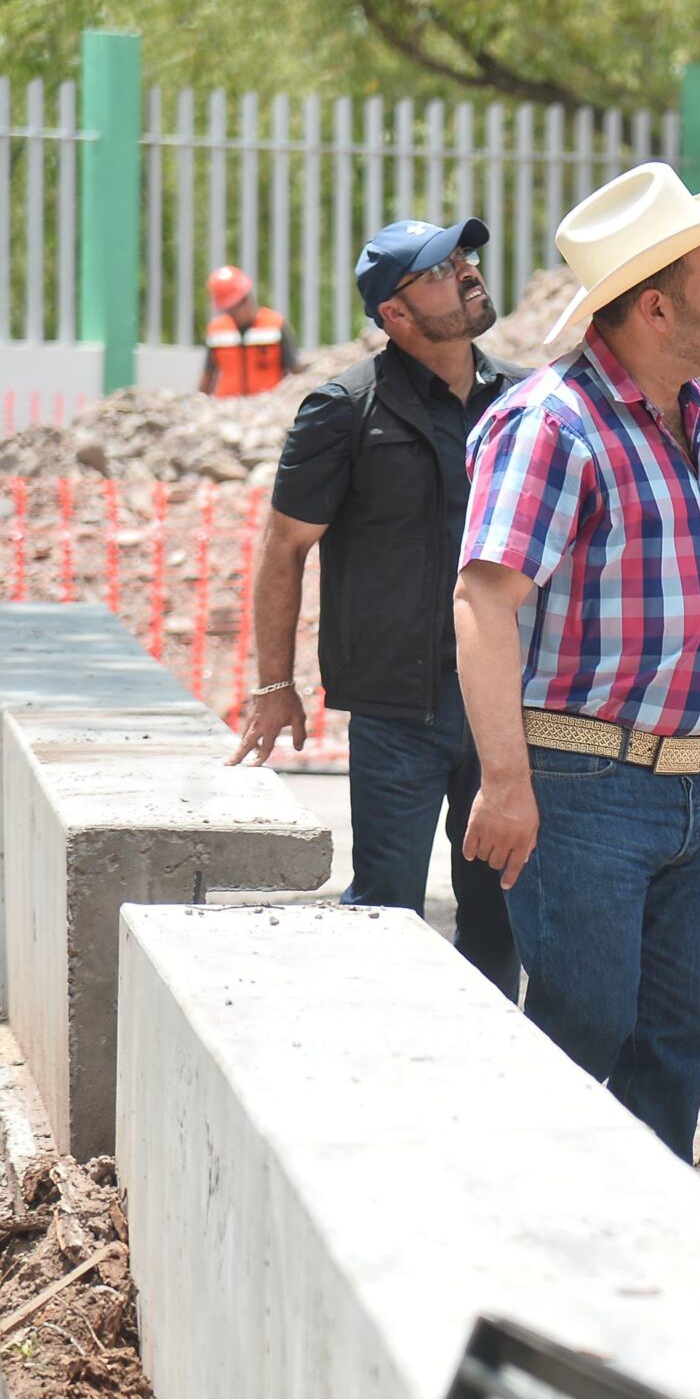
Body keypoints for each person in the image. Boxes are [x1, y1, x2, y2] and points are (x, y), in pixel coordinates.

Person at [453, 162, 700, 1159]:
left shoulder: (699, 419)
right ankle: (520, 1241)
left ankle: (645, 1266)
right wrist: (506, 779)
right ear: (652, 306)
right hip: (583, 782)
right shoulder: (552, 422)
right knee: (579, 1029)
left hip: (696, 784)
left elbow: (690, 572)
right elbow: (482, 598)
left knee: (677, 1039)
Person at [228, 218, 522, 996]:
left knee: (502, 919)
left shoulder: (526, 402)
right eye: (439, 270)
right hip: (399, 716)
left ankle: (480, 1077)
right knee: (384, 912)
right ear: (394, 313)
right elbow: (283, 547)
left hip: (507, 707)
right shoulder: (344, 409)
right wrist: (273, 683)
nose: (466, 272)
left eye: (464, 258)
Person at [201, 265, 298, 397]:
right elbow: (207, 377)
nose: (234, 313)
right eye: (230, 309)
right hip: (227, 407)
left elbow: (295, 371)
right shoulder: (216, 330)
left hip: (267, 408)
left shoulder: (276, 325)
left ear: (247, 299)